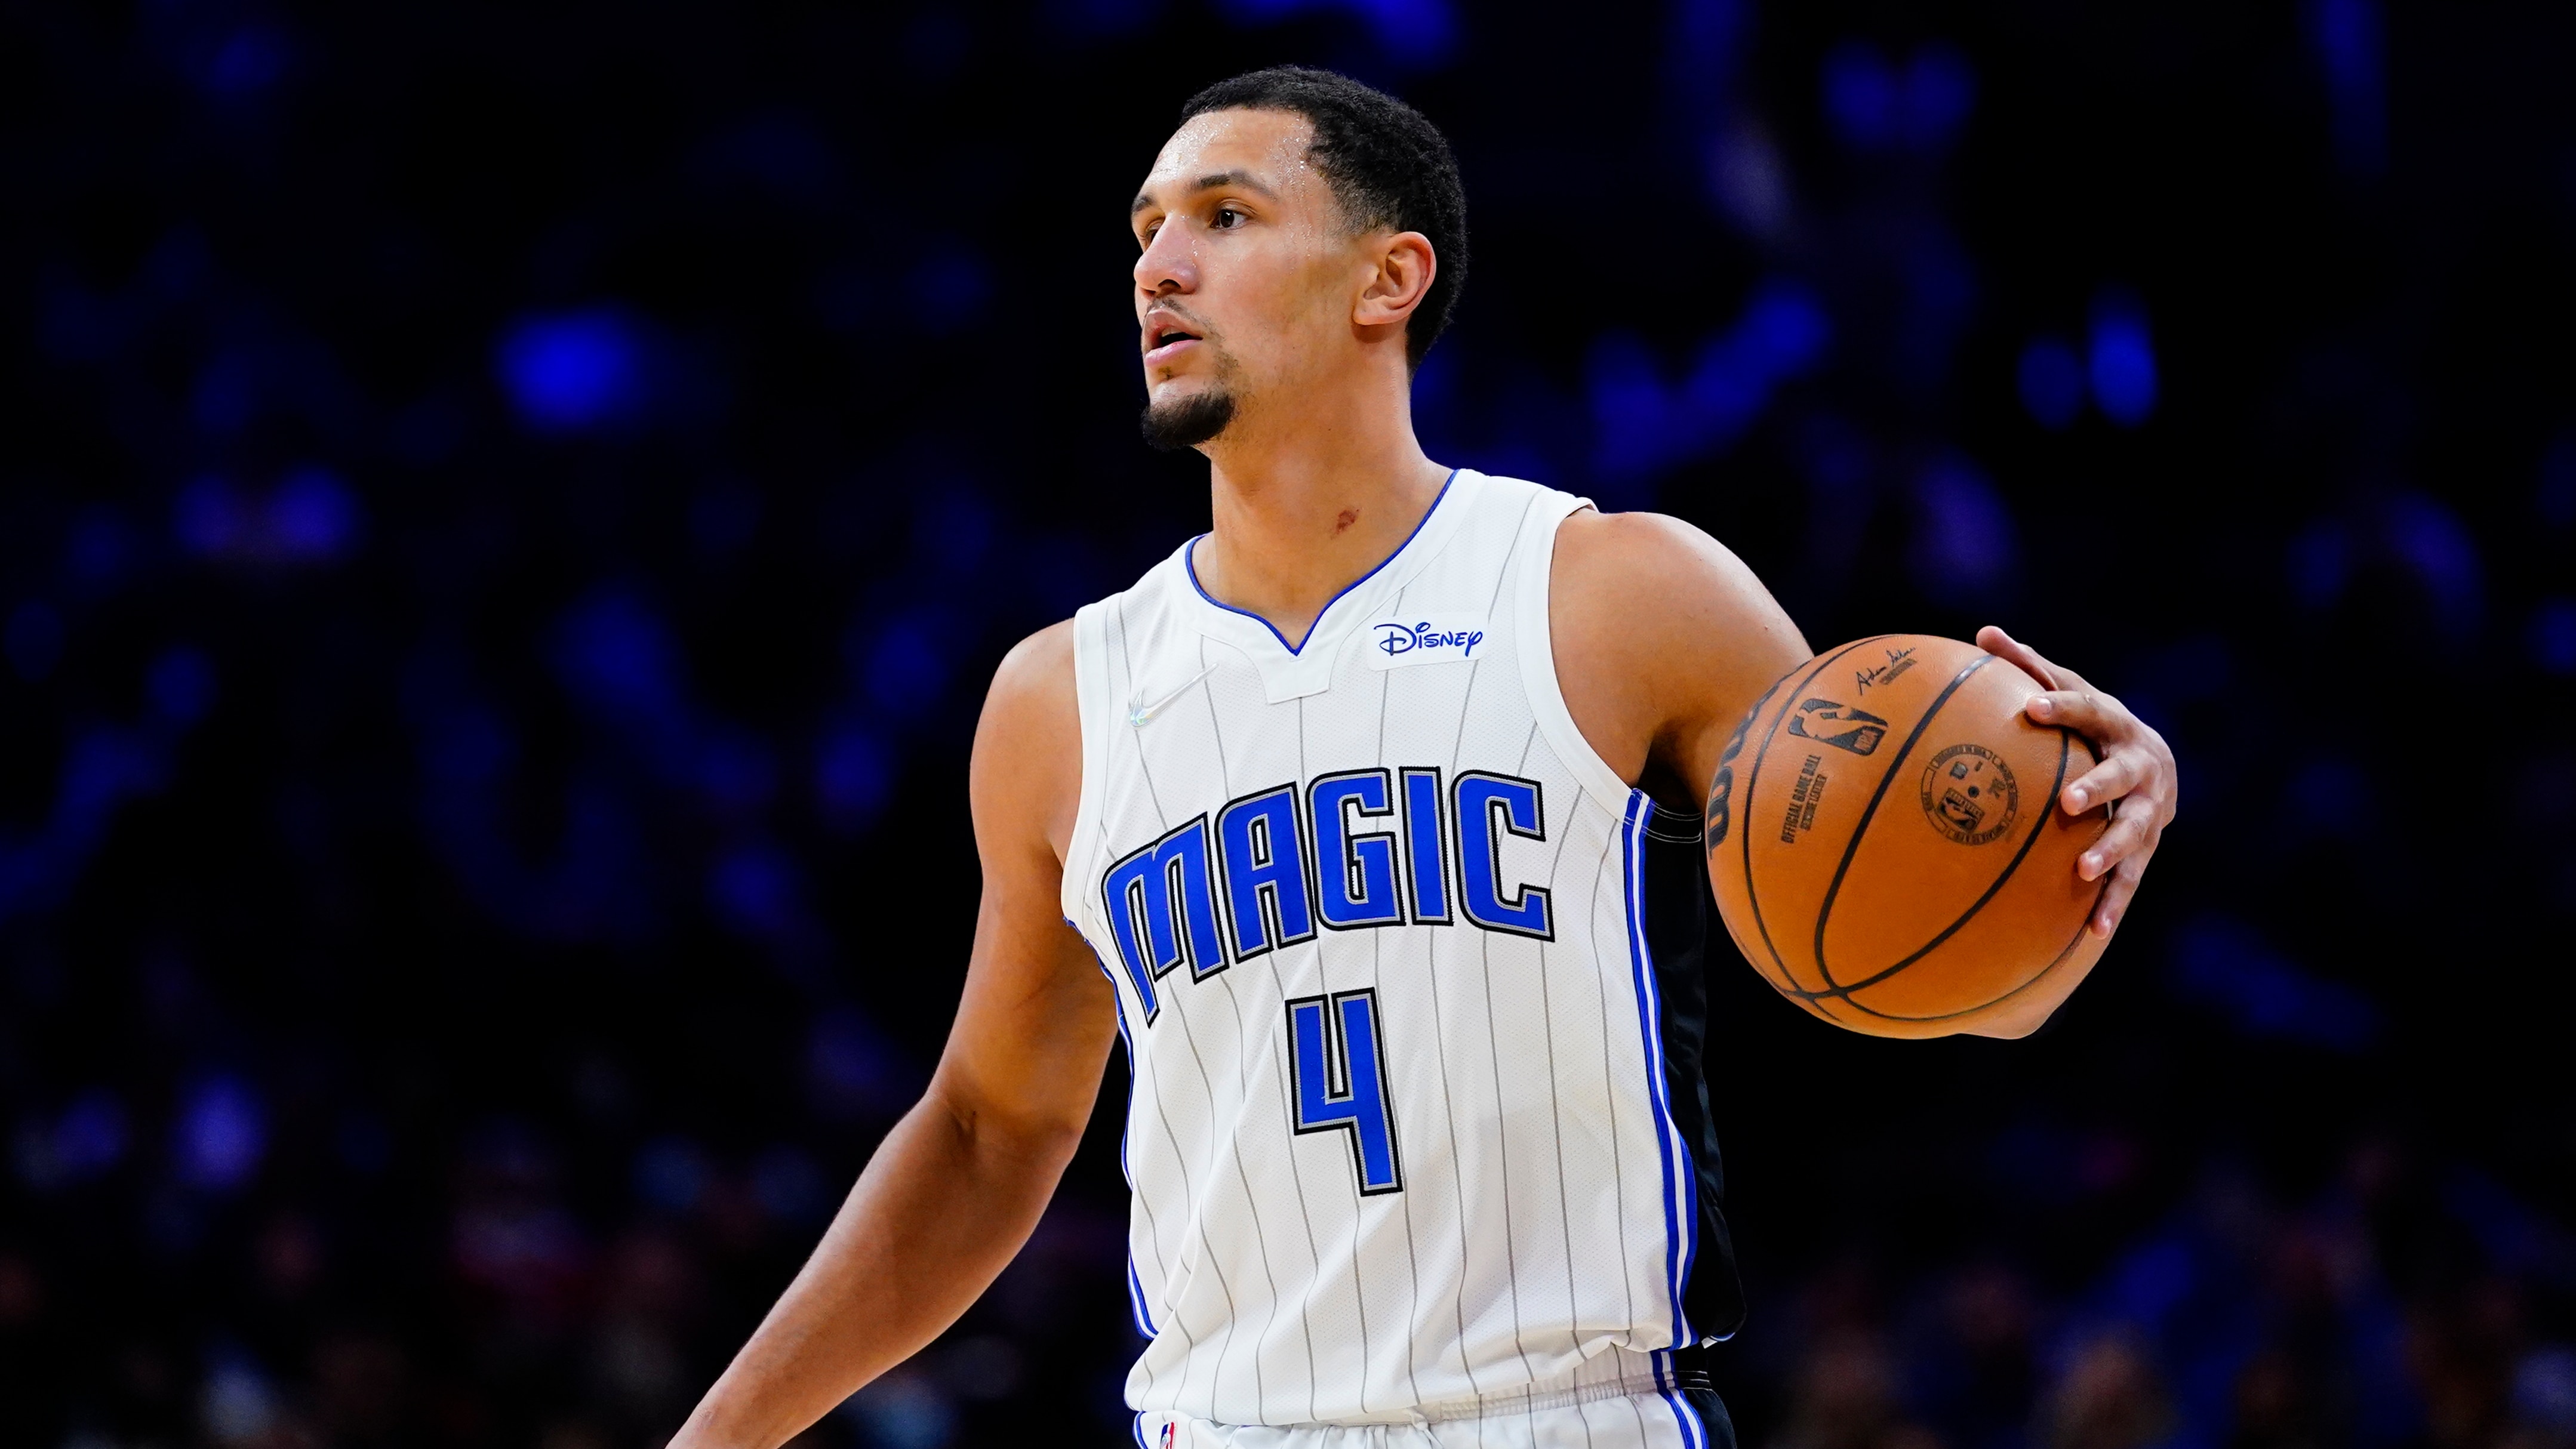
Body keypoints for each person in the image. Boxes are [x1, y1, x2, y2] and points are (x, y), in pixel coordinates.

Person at [672, 66, 2177, 1448]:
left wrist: (2097, 832)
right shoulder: (1058, 698)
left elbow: (1949, 969)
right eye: (1145, 229)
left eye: (1223, 216)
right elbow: (989, 1129)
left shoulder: (1621, 595)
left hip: (1571, 1417)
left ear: (1388, 277)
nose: (1157, 265)